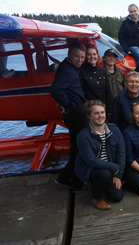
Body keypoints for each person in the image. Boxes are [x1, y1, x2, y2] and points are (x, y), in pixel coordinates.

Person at [74, 100, 125, 210]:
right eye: (96, 113)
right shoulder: (83, 136)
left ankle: (102, 185)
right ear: (89, 116)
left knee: (117, 197)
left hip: (111, 169)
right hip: (93, 168)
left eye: (102, 112)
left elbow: (121, 152)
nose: (100, 116)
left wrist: (118, 174)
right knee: (104, 174)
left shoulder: (114, 130)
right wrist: (114, 168)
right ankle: (97, 198)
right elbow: (91, 160)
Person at [50, 41, 87, 191]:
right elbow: (56, 90)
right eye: (76, 56)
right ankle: (76, 182)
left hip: (78, 111)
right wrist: (68, 104)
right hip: (75, 113)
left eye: (82, 57)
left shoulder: (73, 68)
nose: (80, 60)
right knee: (78, 147)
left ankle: (64, 177)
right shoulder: (66, 69)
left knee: (78, 146)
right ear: (69, 55)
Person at [80, 45, 113, 117]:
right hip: (90, 112)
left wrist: (109, 110)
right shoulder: (81, 71)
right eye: (89, 54)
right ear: (85, 56)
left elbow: (108, 92)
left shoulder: (103, 71)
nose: (92, 57)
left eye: (94, 54)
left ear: (97, 55)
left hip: (103, 110)